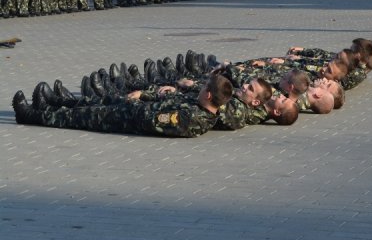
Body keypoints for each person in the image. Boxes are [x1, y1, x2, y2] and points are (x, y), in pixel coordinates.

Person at [12, 72, 234, 138]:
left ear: (208, 96)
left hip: (126, 120)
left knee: (76, 117)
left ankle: (30, 115)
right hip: (130, 111)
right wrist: (144, 96)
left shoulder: (191, 118)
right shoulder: (201, 108)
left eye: (204, 87)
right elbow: (170, 102)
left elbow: (151, 120)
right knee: (90, 104)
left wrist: (132, 105)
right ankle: (50, 103)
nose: (200, 88)